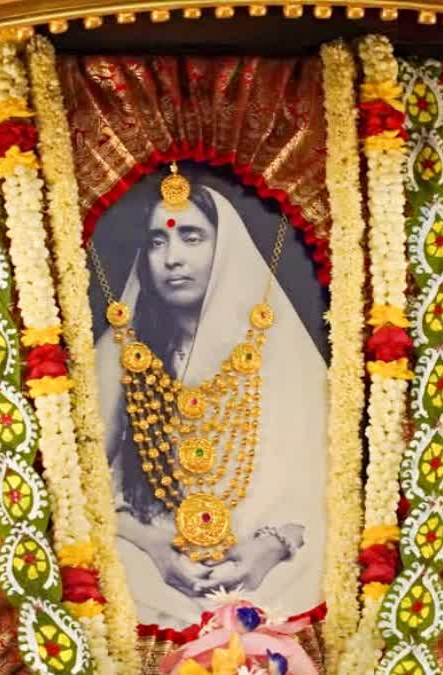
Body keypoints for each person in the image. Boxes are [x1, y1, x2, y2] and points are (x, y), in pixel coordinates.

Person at [93, 173, 328, 630]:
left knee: (310, 574)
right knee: (118, 576)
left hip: (269, 555)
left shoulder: (279, 350)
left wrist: (270, 546)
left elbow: (319, 488)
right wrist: (156, 547)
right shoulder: (125, 353)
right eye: (158, 242)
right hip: (151, 552)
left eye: (191, 237)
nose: (172, 258)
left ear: (226, 251)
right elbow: (80, 485)